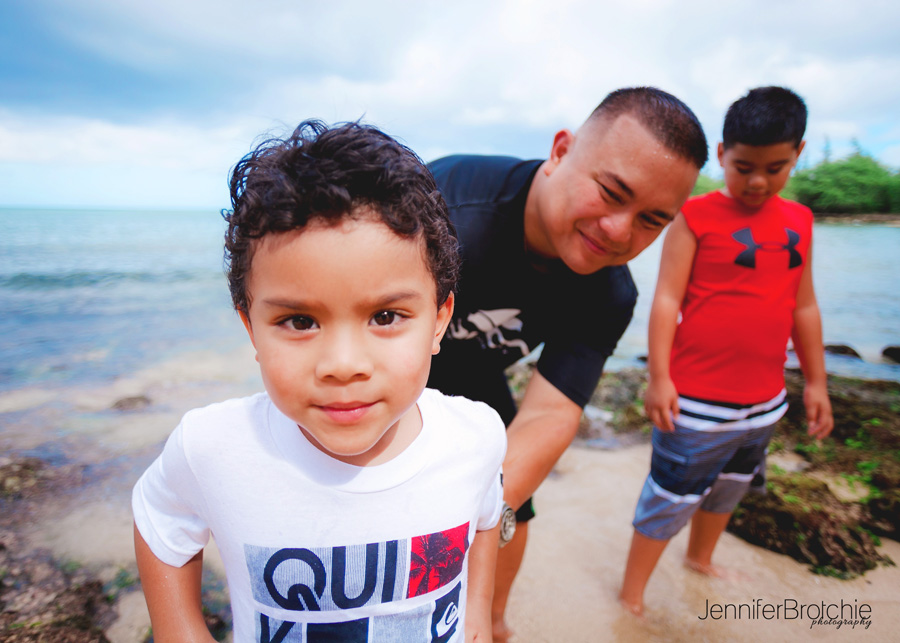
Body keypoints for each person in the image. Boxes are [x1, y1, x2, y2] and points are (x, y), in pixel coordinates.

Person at [132, 120, 507, 642]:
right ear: (251, 327)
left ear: (440, 320)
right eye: (300, 322)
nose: (344, 364)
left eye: (386, 316)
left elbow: (486, 518)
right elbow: (158, 519)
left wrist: (477, 622)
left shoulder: (476, 436)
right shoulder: (214, 447)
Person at [426, 87, 709, 640]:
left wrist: (480, 508)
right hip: (383, 375)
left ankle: (493, 621)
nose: (619, 231)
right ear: (560, 151)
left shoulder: (609, 294)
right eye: (610, 192)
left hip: (477, 375)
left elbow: (550, 414)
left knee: (513, 508)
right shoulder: (443, 213)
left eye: (652, 220)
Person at [619, 86, 834, 615]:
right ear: (721, 155)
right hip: (694, 402)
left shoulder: (800, 221)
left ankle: (701, 558)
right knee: (669, 497)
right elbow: (667, 299)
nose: (757, 181)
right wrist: (660, 377)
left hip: (764, 402)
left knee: (729, 490)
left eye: (775, 167)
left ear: (798, 154)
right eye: (743, 167)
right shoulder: (694, 216)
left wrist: (818, 382)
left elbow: (803, 307)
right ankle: (631, 594)